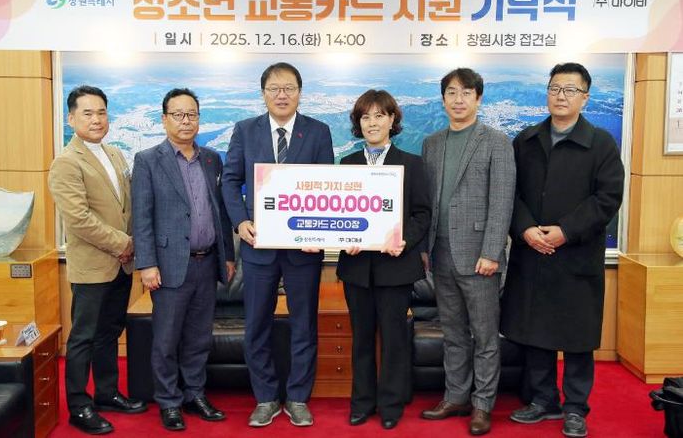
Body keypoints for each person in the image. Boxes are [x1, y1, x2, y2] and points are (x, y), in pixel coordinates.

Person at [501, 63, 624, 438]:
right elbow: (510, 193)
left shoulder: (600, 143)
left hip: (575, 256)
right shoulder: (526, 140)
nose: (561, 96)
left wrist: (565, 231)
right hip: (532, 251)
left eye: (570, 90)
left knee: (577, 337)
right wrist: (525, 229)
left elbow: (607, 198)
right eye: (555, 88)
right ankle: (543, 401)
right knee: (535, 331)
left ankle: (575, 408)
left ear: (585, 98)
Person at [221, 62, 334, 427]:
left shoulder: (318, 132)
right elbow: (230, 181)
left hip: (303, 249)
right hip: (259, 246)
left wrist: (318, 233)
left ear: (300, 93)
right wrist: (240, 221)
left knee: (304, 325)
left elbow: (326, 187)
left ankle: (298, 397)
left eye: (289, 88)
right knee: (256, 325)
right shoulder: (245, 130)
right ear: (263, 93)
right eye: (274, 88)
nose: (281, 95)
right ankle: (266, 397)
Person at [132, 88, 236, 432]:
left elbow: (220, 213)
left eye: (191, 114)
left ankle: (195, 394)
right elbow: (142, 217)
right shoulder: (148, 160)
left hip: (207, 263)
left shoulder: (211, 159)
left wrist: (227, 256)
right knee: (166, 340)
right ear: (164, 119)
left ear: (199, 119)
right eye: (178, 114)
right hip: (168, 266)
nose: (185, 121)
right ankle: (169, 401)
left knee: (199, 338)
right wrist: (147, 264)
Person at [420, 68, 516, 435]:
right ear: (443, 99)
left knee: (485, 336)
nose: (458, 100)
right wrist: (424, 249)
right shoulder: (432, 143)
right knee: (453, 333)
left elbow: (502, 201)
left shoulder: (496, 142)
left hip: (480, 257)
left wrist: (492, 251)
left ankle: (482, 405)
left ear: (478, 98)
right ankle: (456, 396)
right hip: (440, 253)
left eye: (466, 93)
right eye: (451, 92)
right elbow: (427, 202)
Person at [48, 85, 147, 435]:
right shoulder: (66, 162)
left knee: (109, 333)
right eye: (87, 113)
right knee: (83, 338)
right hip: (93, 266)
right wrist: (124, 243)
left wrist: (133, 244)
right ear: (71, 118)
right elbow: (78, 219)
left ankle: (107, 393)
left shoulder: (115, 154)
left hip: (121, 263)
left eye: (101, 112)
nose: (96, 119)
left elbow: (127, 207)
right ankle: (79, 406)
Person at [336, 90, 431, 430]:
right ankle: (362, 403)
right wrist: (345, 238)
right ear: (358, 124)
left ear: (392, 120)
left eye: (379, 115)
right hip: (357, 269)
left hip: (396, 267)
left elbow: (422, 214)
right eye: (365, 117)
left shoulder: (412, 164)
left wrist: (404, 241)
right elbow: (339, 214)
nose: (372, 123)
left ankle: (391, 404)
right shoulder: (347, 165)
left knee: (393, 340)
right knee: (361, 339)